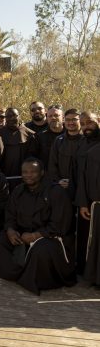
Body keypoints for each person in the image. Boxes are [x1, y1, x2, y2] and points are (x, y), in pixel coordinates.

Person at [0, 158, 76, 295]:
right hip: (22, 233)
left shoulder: (56, 192)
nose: (28, 175)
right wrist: (11, 230)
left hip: (49, 237)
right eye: (25, 172)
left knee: (40, 251)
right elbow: (10, 215)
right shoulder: (18, 191)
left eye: (33, 172)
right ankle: (18, 274)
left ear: (42, 172)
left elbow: (60, 224)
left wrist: (36, 235)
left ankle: (31, 278)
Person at [74, 112, 100, 274]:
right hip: (89, 202)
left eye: (89, 122)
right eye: (83, 124)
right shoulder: (82, 143)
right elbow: (81, 176)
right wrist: (83, 203)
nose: (86, 127)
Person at [0, 107, 37, 190]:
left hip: (26, 178)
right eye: (8, 116)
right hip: (4, 178)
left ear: (19, 116)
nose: (11, 118)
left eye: (14, 115)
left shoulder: (30, 135)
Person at [48, 108, 82, 198]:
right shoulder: (58, 141)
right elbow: (52, 165)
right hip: (63, 188)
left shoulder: (87, 140)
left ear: (80, 120)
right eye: (68, 120)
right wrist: (59, 181)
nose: (70, 122)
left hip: (83, 188)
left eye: (74, 119)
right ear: (64, 120)